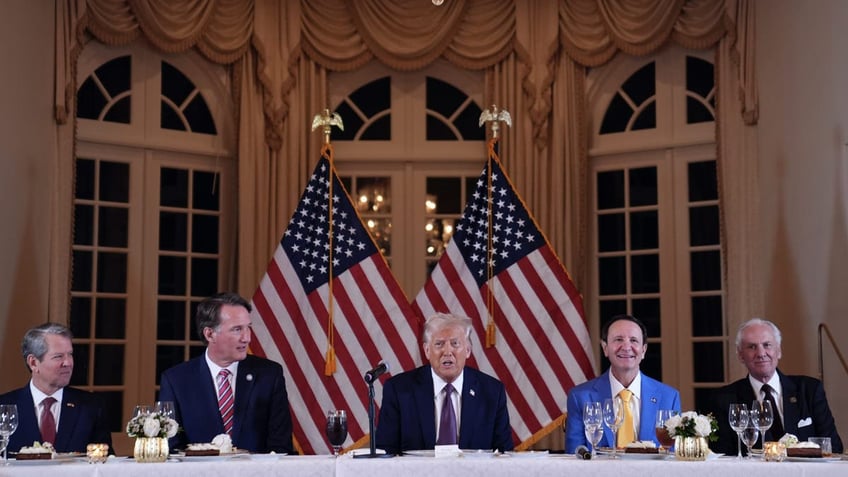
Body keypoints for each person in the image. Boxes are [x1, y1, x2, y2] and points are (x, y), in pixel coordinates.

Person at [159, 292, 293, 453]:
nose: (247, 338)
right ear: (209, 334)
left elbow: (281, 446)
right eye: (237, 329)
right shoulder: (176, 380)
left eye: (248, 328)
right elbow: (170, 448)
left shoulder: (269, 374)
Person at [374, 313, 513, 454]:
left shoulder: (492, 392)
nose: (447, 352)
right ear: (427, 351)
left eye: (455, 343)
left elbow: (504, 455)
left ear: (468, 350)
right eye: (439, 344)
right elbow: (385, 453)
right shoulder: (399, 390)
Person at [710, 318, 843, 455]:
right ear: (741, 356)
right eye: (752, 347)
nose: (761, 354)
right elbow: (723, 457)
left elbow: (833, 447)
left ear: (778, 351)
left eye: (767, 345)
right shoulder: (724, 400)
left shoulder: (810, 390)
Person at [565, 314, 680, 453]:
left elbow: (673, 455)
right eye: (618, 339)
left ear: (643, 350)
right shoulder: (580, 397)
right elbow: (574, 454)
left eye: (634, 340)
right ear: (605, 348)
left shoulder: (669, 397)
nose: (626, 347)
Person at [0, 323, 112, 453]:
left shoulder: (91, 407)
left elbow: (105, 463)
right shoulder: (4, 407)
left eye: (70, 354)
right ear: (33, 362)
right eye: (58, 356)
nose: (68, 363)